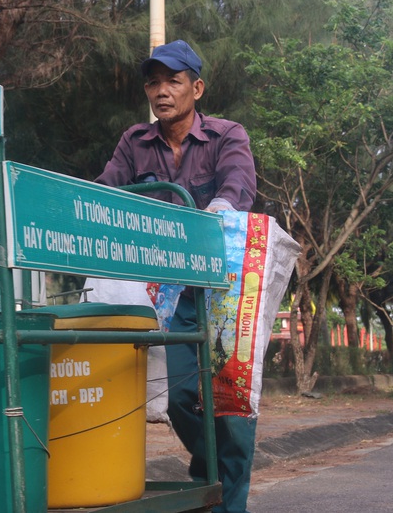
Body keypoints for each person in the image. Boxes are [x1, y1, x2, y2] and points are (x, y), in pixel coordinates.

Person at [96, 39, 258, 513]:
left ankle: (228, 499)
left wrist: (214, 213)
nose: (161, 91)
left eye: (173, 80)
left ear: (197, 87)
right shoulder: (135, 141)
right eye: (153, 82)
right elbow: (107, 191)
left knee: (229, 401)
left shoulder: (228, 135)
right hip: (164, 291)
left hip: (222, 286)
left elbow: (237, 188)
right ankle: (214, 473)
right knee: (182, 396)